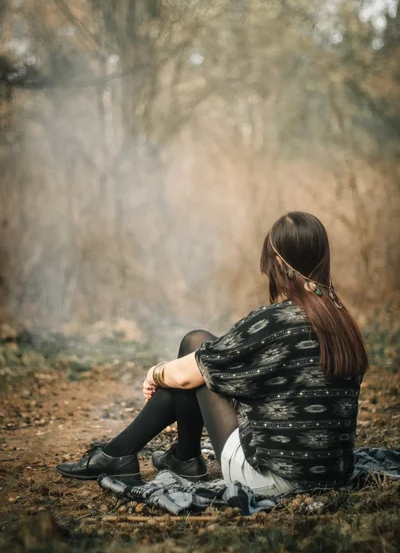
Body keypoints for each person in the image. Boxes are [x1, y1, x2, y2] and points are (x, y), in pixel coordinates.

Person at [56, 211, 369, 496]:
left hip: (271, 478)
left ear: (279, 262)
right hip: (333, 473)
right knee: (203, 360)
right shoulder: (343, 321)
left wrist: (155, 374)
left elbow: (188, 373)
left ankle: (144, 455)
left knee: (195, 348)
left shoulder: (275, 321)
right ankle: (171, 457)